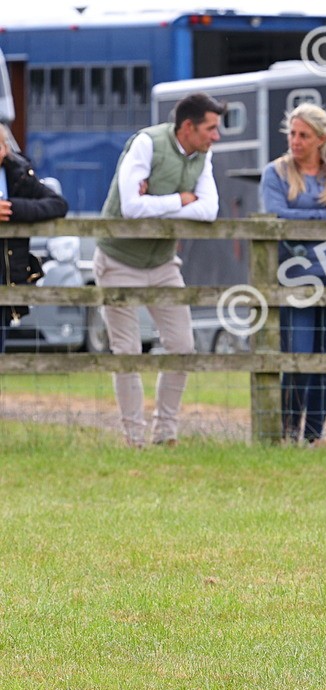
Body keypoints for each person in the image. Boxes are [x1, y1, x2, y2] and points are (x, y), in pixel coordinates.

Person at [94, 91, 224, 447]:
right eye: (211, 128)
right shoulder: (146, 144)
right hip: (118, 258)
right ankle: (133, 437)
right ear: (187, 126)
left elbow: (210, 210)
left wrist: (159, 203)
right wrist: (181, 199)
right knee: (128, 352)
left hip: (164, 262)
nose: (216, 136)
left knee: (183, 346)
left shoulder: (203, 157)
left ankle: (165, 433)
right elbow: (131, 209)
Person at [261, 103, 326, 445]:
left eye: (303, 135)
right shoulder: (275, 173)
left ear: (321, 139)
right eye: (292, 133)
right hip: (296, 279)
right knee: (298, 358)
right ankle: (288, 431)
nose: (295, 140)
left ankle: (313, 434)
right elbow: (277, 217)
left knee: (325, 359)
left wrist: (305, 219)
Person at [0, 123, 69, 352]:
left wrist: (15, 209)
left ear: (5, 148)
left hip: (8, 276)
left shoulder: (20, 175)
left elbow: (58, 204)